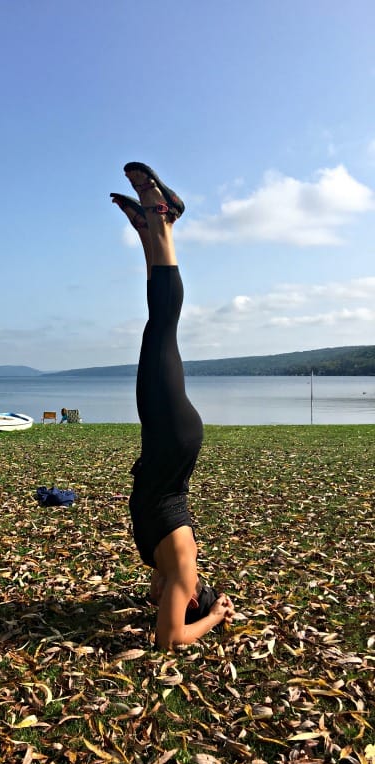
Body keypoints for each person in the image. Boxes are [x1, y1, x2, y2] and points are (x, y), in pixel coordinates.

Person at [111, 162, 235, 648]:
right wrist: (217, 614)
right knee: (160, 331)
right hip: (172, 441)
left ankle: (150, 234)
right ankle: (163, 219)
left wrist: (192, 599)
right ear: (188, 596)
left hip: (164, 448)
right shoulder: (181, 567)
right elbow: (170, 640)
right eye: (184, 598)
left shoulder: (170, 572)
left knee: (155, 329)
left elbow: (161, 608)